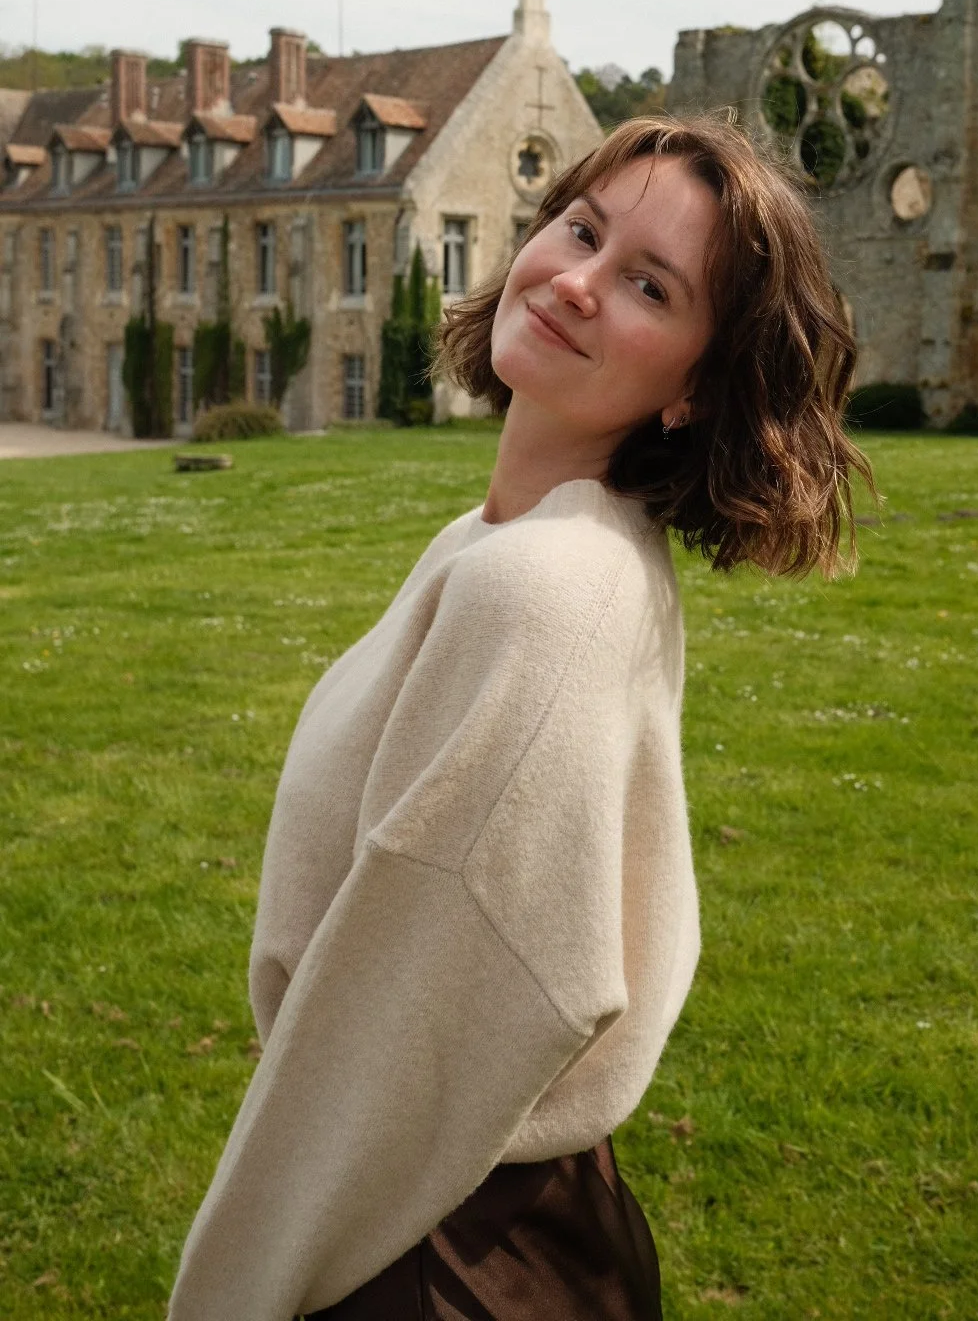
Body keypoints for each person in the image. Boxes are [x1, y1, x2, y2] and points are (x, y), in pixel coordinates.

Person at [168, 113, 871, 1321]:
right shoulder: (529, 543)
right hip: (474, 1208)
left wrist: (235, 1285)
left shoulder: (544, 590)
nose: (579, 283)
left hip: (426, 1238)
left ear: (693, 386)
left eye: (648, 284)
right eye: (581, 230)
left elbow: (399, 1022)